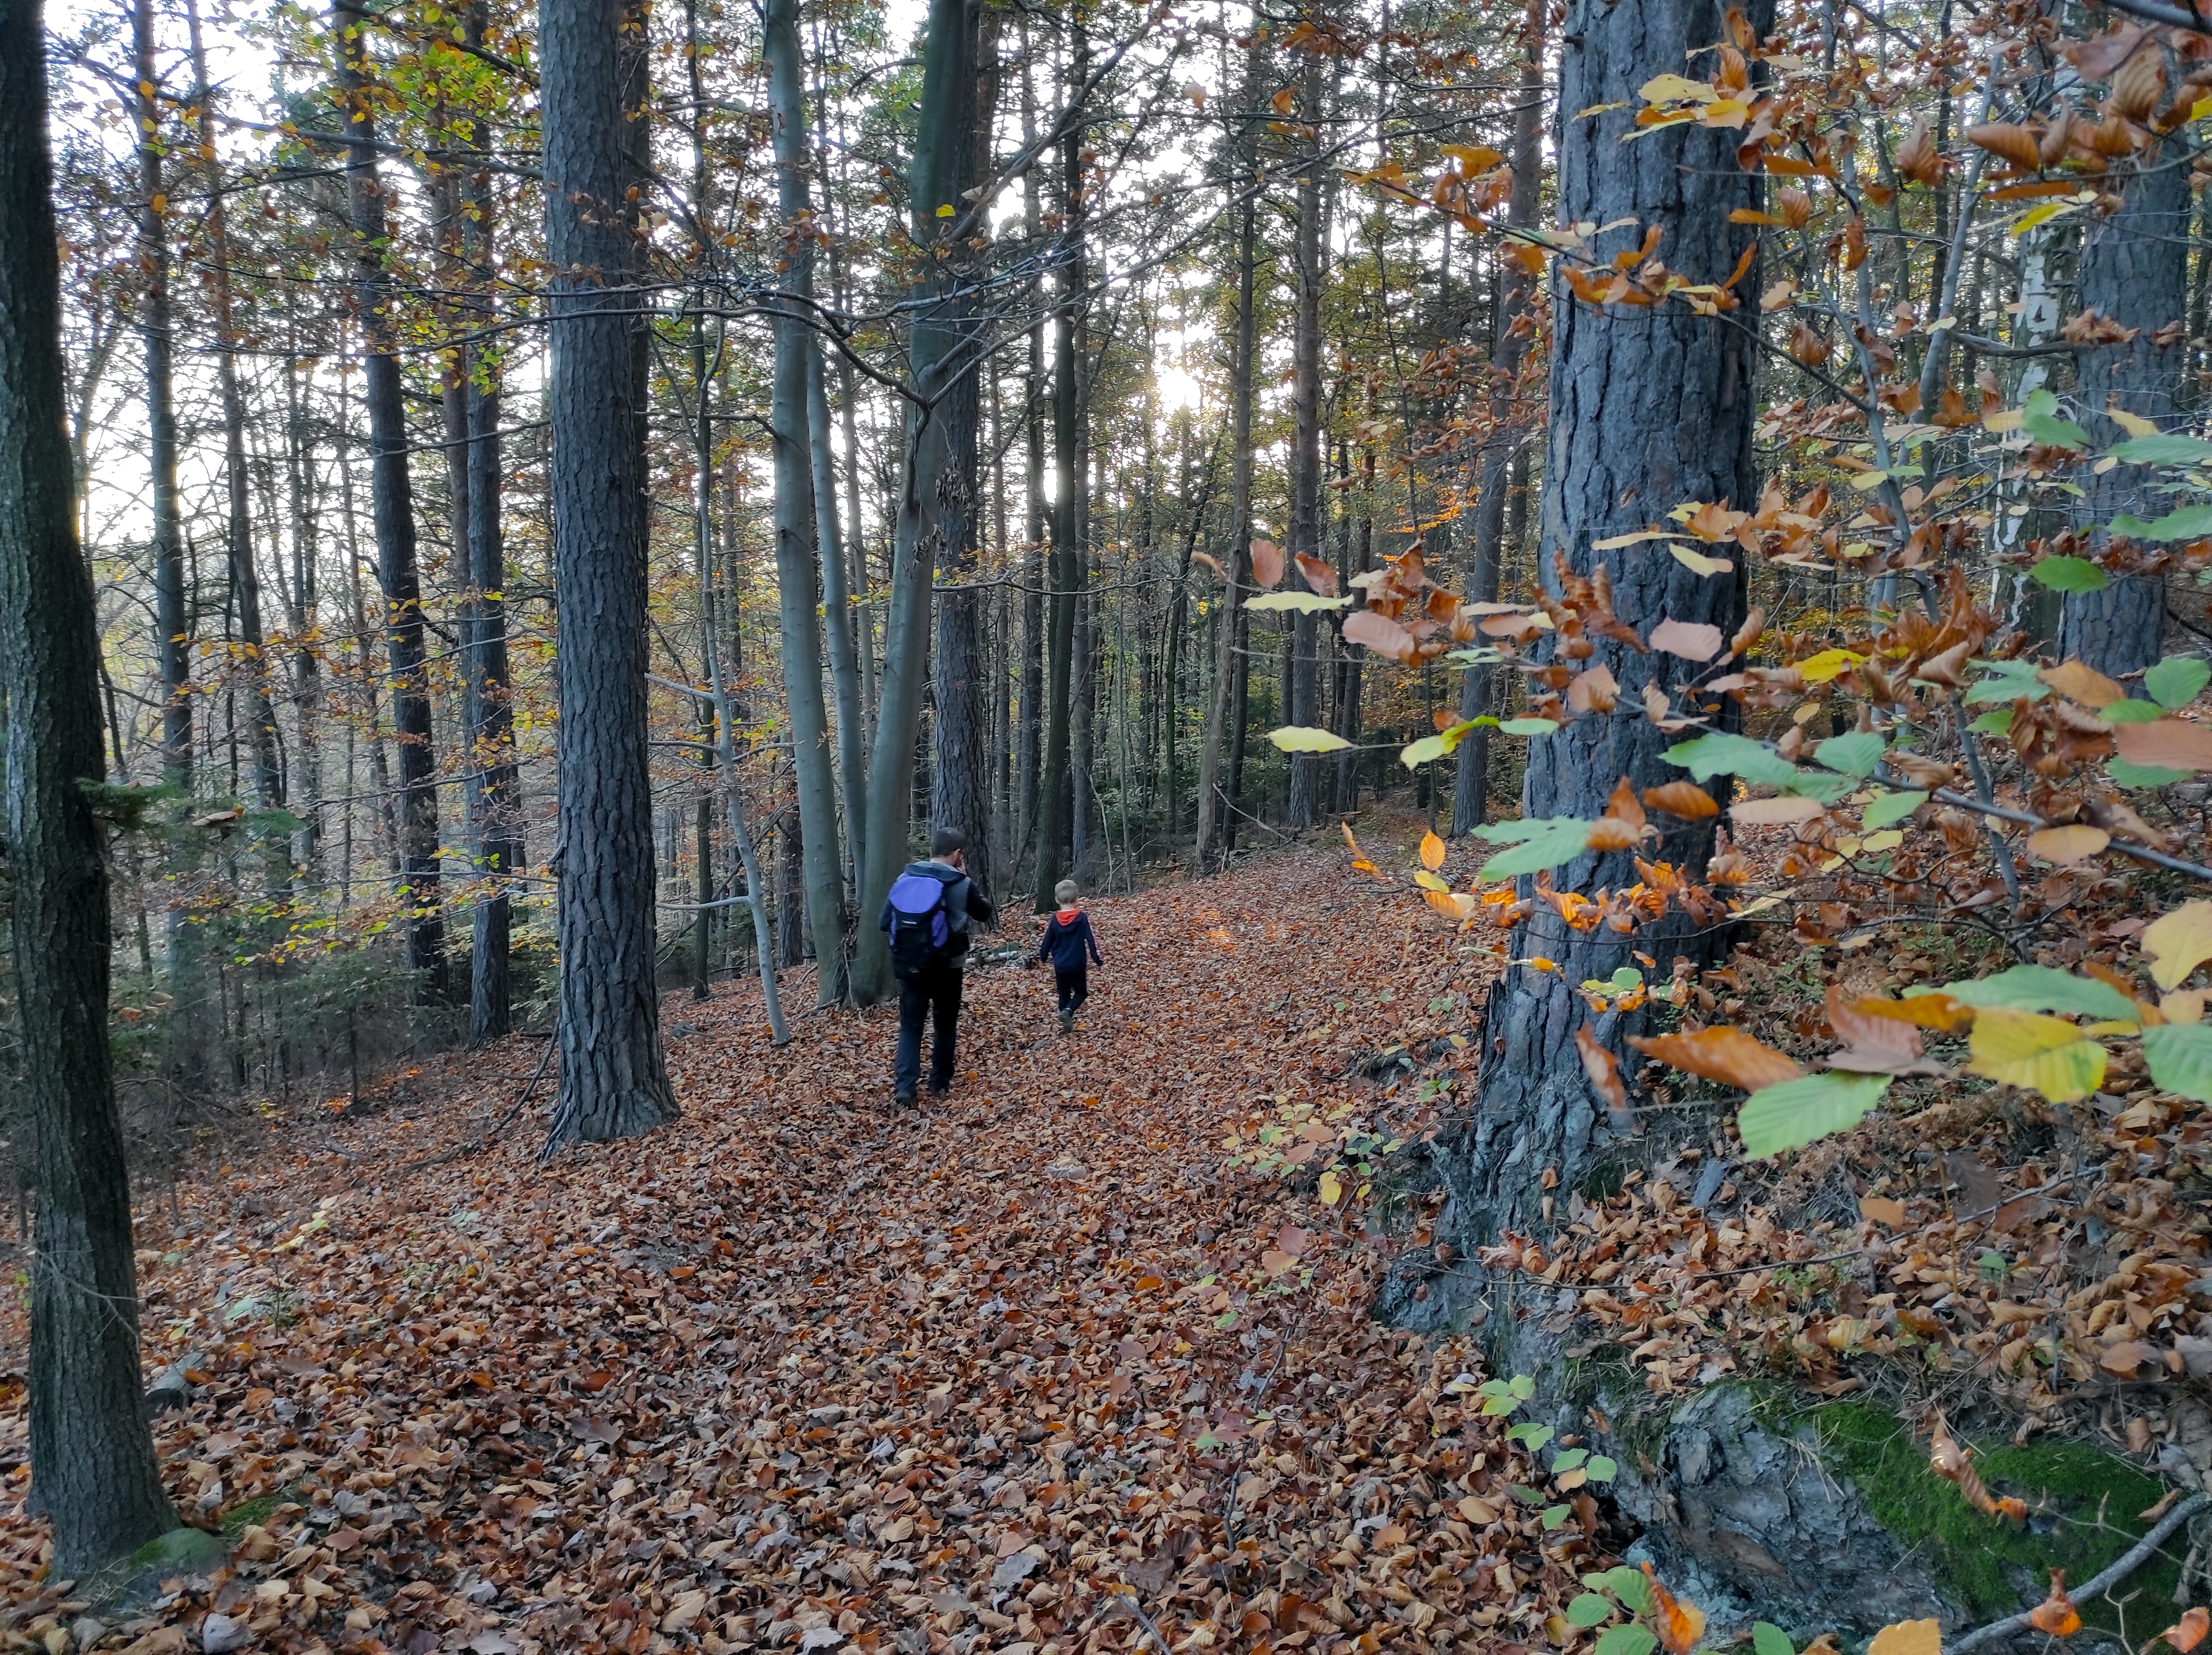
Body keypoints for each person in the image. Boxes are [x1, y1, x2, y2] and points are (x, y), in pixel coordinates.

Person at [880, 828, 995, 1104]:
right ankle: (939, 1084)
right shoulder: (961, 883)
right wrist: (966, 878)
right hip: (949, 967)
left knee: (910, 1027)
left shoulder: (906, 877)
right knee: (945, 1025)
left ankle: (905, 1087)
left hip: (910, 967)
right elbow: (984, 913)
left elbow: (885, 922)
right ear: (957, 855)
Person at [1036, 879, 1104, 1033]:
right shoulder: (1082, 918)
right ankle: (1068, 1012)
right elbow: (1092, 940)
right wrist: (1097, 959)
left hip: (1060, 965)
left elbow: (1047, 940)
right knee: (1081, 993)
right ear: (1077, 900)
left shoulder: (1054, 920)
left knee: (1064, 994)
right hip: (1078, 964)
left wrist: (1043, 957)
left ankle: (1065, 1019)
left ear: (1056, 900)